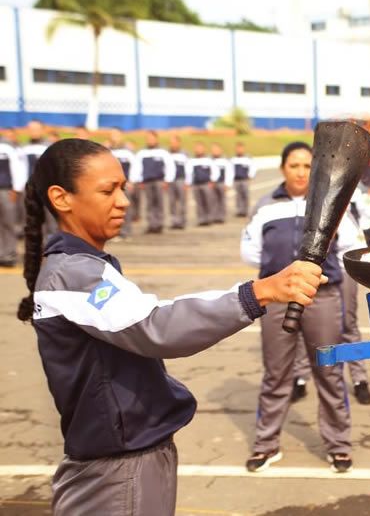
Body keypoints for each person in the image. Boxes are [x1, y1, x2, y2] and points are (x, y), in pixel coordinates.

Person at [18, 138, 325, 516]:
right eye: (107, 190)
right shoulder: (74, 272)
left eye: (123, 188)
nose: (124, 201)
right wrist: (258, 293)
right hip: (116, 470)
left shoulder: (85, 264)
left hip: (128, 457)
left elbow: (146, 320)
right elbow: (155, 326)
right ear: (61, 198)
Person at [241, 141, 355, 473]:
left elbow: (349, 246)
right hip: (276, 300)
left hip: (321, 298)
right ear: (283, 169)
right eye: (294, 166)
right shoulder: (266, 206)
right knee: (277, 374)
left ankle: (338, 445)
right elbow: (250, 250)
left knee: (329, 372)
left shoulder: (331, 204)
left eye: (307, 166)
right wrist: (277, 275)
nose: (301, 172)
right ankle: (266, 444)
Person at [290, 185, 370, 405]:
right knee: (304, 320)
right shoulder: (310, 187)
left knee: (348, 323)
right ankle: (301, 376)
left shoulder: (357, 189)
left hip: (343, 266)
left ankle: (359, 379)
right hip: (313, 266)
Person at [136, 130, 175, 234]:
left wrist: (167, 180)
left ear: (156, 139)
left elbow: (170, 166)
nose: (150, 140)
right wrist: (140, 180)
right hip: (147, 181)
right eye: (148, 138)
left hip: (159, 181)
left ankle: (159, 224)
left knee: (159, 203)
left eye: (152, 138)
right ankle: (151, 224)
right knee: (149, 204)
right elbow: (138, 168)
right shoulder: (142, 153)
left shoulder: (163, 152)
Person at [108, 128, 141, 240]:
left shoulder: (127, 152)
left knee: (125, 209)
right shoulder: (105, 151)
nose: (114, 137)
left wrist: (131, 181)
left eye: (116, 135)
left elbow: (135, 166)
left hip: (124, 185)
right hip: (110, 185)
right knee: (110, 210)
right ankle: (114, 232)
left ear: (121, 136)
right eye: (112, 135)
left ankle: (125, 232)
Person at [0, 138, 25, 266]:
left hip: (6, 190)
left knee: (8, 223)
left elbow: (17, 168)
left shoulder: (7, 148)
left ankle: (9, 254)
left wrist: (16, 189)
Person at [186, 142, 219, 226]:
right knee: (199, 203)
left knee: (208, 202)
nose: (198, 150)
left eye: (200, 148)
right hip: (196, 184)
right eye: (197, 148)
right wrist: (188, 183)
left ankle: (209, 218)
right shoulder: (192, 161)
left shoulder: (208, 160)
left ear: (204, 149)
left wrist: (212, 181)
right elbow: (188, 173)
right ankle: (201, 219)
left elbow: (215, 171)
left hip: (206, 184)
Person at [167, 134, 189, 230]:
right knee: (172, 202)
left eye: (175, 142)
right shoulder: (167, 154)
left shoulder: (184, 154)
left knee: (182, 202)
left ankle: (182, 221)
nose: (173, 144)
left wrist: (187, 182)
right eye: (171, 142)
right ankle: (174, 221)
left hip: (181, 180)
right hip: (171, 181)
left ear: (179, 143)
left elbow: (189, 169)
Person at [230, 141, 257, 217]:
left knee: (245, 195)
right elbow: (230, 170)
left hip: (245, 179)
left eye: (240, 149)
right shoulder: (233, 159)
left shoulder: (248, 158)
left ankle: (246, 210)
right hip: (236, 180)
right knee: (238, 196)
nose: (239, 150)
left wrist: (250, 176)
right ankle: (239, 210)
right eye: (238, 149)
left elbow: (253, 167)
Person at [211, 143, 233, 224]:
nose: (215, 152)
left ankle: (221, 217)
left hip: (222, 183)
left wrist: (227, 184)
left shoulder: (225, 161)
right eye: (213, 150)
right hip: (212, 184)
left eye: (216, 150)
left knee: (222, 201)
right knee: (213, 201)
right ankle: (214, 216)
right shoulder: (209, 160)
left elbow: (229, 173)